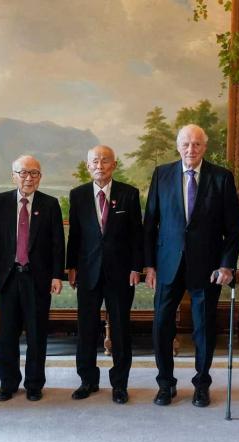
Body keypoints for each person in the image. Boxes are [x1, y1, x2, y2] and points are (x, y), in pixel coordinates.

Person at [144, 124, 239, 407]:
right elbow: (150, 222)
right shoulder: (162, 174)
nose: (191, 149)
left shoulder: (221, 178)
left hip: (207, 267)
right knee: (162, 325)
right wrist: (149, 265)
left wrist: (226, 265)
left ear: (204, 147)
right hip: (167, 264)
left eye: (197, 144)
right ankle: (165, 384)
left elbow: (234, 228)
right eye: (186, 144)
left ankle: (202, 384)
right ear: (178, 146)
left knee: (203, 327)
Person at [0, 155, 65, 402]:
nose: (29, 178)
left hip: (37, 278)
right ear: (13, 175)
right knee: (7, 334)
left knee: (37, 335)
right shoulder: (0, 202)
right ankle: (8, 384)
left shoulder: (50, 204)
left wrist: (57, 275)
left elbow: (58, 243)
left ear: (40, 177)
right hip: (8, 277)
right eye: (23, 173)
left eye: (34, 173)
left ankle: (34, 384)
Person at [66, 145, 143, 404]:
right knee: (86, 329)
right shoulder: (77, 195)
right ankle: (88, 380)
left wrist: (136, 267)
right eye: (95, 161)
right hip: (87, 272)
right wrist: (71, 267)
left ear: (114, 165)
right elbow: (74, 236)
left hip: (121, 274)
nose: (100, 165)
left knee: (120, 330)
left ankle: (119, 384)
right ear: (88, 166)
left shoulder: (129, 194)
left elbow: (137, 235)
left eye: (105, 161)